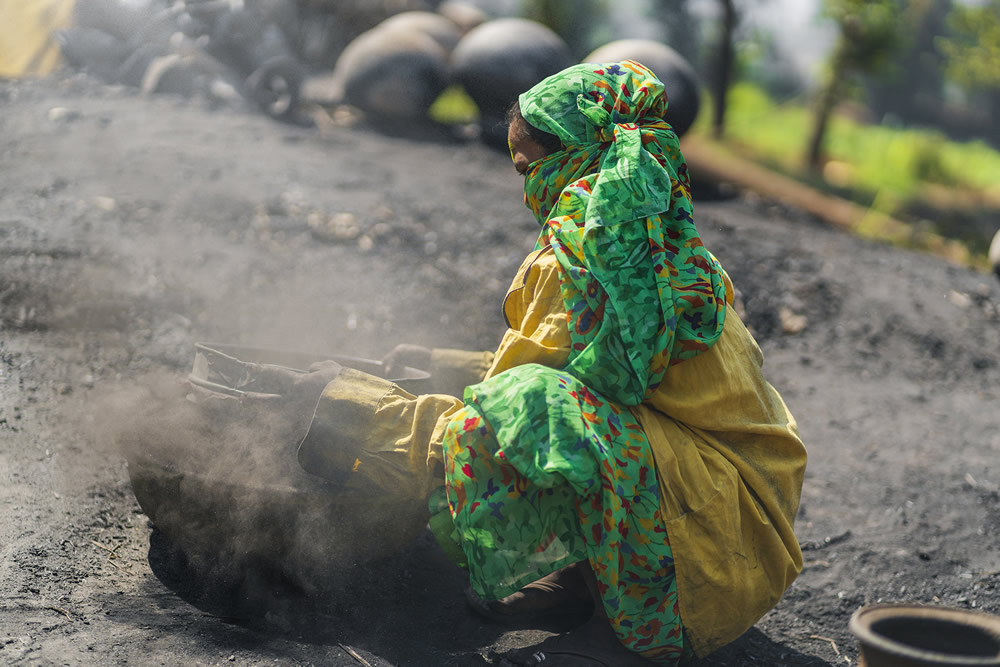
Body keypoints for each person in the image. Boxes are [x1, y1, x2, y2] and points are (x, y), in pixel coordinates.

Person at [295, 60, 806, 666]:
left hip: (708, 566)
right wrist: (441, 363)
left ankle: (628, 636)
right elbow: (585, 371)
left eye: (528, 168)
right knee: (559, 415)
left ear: (574, 160)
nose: (526, 188)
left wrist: (349, 406)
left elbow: (511, 406)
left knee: (531, 420)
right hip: (739, 517)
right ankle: (589, 584)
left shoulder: (581, 258)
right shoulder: (656, 239)